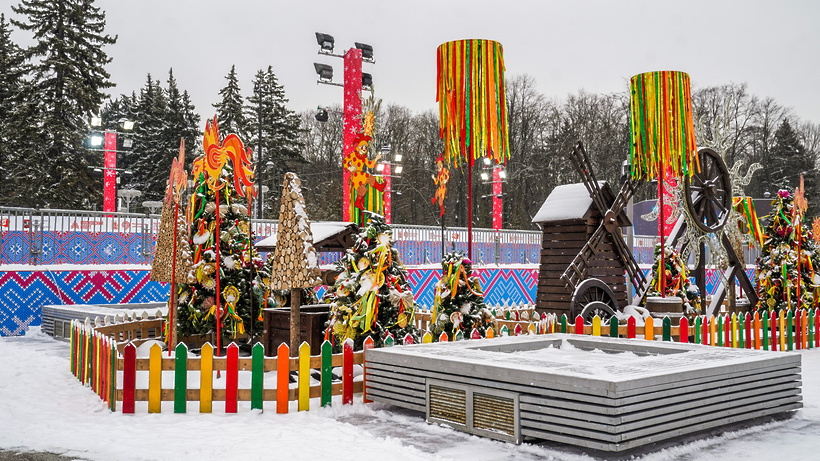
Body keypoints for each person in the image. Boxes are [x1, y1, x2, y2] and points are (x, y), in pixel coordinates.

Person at [344, 133, 385, 210]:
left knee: (366, 184)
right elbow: (345, 161)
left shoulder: (364, 157)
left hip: (361, 175)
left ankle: (378, 187)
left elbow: (369, 165)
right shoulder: (353, 155)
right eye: (363, 147)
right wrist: (349, 168)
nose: (364, 148)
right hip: (355, 176)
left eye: (365, 147)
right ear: (359, 147)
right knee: (364, 185)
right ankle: (358, 202)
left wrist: (376, 159)